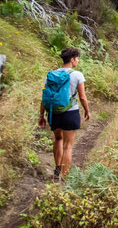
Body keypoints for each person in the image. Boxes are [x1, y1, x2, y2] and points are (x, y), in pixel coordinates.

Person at [38, 47, 90, 179]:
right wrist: (87, 111)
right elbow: (82, 97)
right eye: (77, 59)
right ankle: (63, 176)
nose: (78, 61)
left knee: (58, 139)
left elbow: (45, 96)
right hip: (70, 113)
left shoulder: (52, 74)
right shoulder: (77, 75)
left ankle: (57, 170)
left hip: (54, 112)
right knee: (68, 146)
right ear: (72, 60)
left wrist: (42, 115)